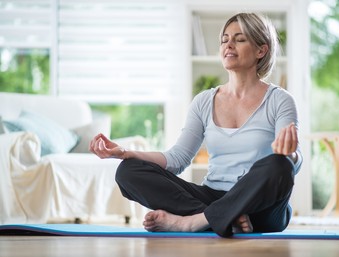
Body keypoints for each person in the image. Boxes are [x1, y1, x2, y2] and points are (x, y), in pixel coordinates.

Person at [90, 12, 302, 238]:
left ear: (261, 50)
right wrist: (125, 153)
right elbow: (177, 159)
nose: (228, 45)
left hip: (260, 207)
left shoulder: (280, 100)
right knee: (128, 171)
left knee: (280, 166)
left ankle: (192, 222)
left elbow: (293, 161)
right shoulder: (203, 101)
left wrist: (291, 155)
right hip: (211, 196)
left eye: (239, 39)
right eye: (224, 39)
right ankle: (221, 217)